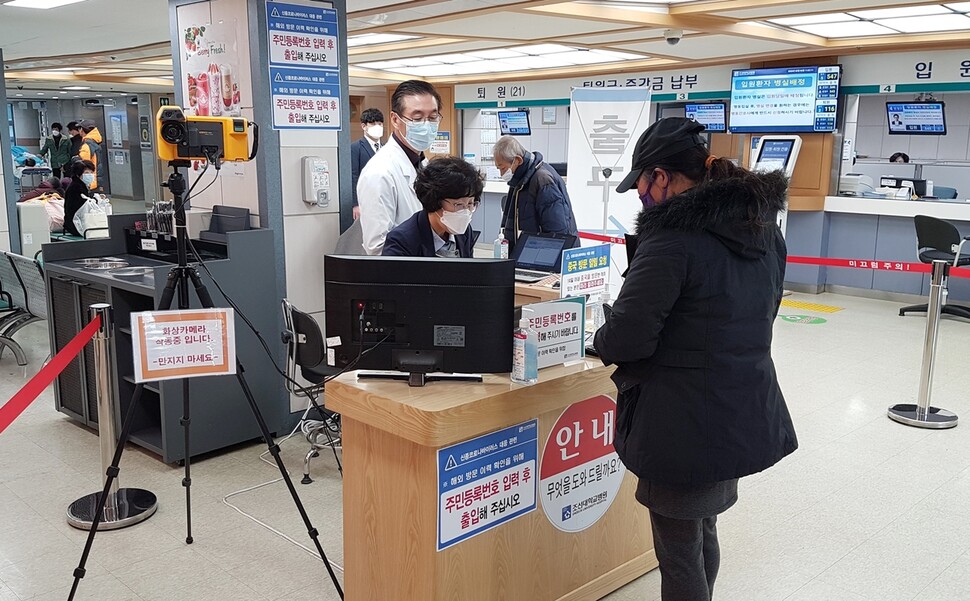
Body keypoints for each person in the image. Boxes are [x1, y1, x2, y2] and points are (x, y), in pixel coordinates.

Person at [593, 117, 797, 601]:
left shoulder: (671, 240)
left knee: (679, 550)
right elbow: (767, 308)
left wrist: (602, 332)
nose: (639, 195)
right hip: (737, 407)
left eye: (640, 183)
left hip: (680, 421)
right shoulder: (763, 228)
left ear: (660, 177)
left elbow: (628, 340)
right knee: (702, 529)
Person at [357, 80, 441, 255]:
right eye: (417, 118)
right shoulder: (379, 173)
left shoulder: (422, 163)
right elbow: (378, 247)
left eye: (433, 118)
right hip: (404, 275)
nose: (427, 125)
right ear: (395, 119)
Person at [382, 156, 481, 258]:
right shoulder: (401, 241)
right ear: (434, 201)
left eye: (470, 204)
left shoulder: (464, 232)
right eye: (459, 204)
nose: (465, 212)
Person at [492, 135, 578, 252]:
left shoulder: (542, 180)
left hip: (545, 254)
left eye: (502, 168)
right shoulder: (520, 179)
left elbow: (557, 228)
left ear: (517, 160)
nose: (501, 174)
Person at [351, 108, 385, 220]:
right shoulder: (356, 148)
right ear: (364, 126)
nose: (377, 127)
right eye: (373, 124)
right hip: (365, 201)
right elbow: (353, 176)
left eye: (380, 124)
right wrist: (355, 204)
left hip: (385, 199)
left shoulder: (387, 149)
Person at [64, 160, 96, 237]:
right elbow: (83, 205)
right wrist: (96, 200)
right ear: (78, 174)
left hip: (73, 223)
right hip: (76, 224)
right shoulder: (76, 187)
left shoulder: (79, 185)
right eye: (86, 173)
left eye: (91, 172)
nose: (90, 175)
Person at [77, 119, 104, 190]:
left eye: (79, 128)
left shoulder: (86, 145)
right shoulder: (95, 142)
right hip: (96, 179)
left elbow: (83, 165)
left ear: (82, 130)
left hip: (89, 182)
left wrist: (75, 160)